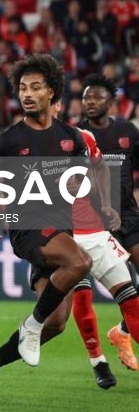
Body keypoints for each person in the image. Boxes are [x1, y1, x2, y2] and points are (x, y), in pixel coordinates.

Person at [0, 54, 114, 401]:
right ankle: (29, 328)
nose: (27, 94)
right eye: (21, 88)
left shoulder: (71, 137)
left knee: (57, 323)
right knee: (80, 263)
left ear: (52, 93)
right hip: (27, 228)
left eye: (35, 87)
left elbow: (92, 170)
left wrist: (97, 197)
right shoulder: (9, 140)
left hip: (59, 231)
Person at [77, 73, 139, 372]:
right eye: (86, 97)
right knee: (126, 287)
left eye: (97, 97)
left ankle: (122, 332)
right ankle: (104, 352)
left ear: (110, 102)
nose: (90, 102)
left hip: (128, 215)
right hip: (95, 222)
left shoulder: (128, 131)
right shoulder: (76, 136)